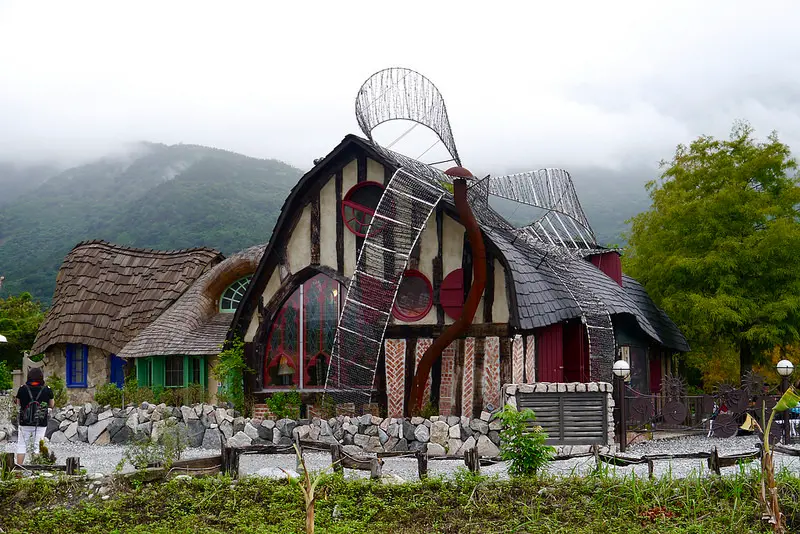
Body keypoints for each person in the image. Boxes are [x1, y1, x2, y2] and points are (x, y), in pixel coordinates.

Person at [14, 368, 54, 466]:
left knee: (22, 445)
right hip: (40, 421)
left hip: (24, 421)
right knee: (37, 446)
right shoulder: (47, 389)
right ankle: (35, 472)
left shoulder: (22, 389)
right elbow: (51, 404)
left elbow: (18, 404)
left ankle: (18, 471)